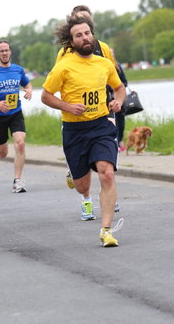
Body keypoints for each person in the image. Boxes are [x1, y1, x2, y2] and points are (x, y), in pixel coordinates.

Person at [41, 16, 125, 247]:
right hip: (74, 130)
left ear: (92, 34)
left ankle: (106, 230)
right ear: (71, 41)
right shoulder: (64, 67)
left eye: (87, 33)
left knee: (107, 173)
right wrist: (68, 106)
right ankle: (76, 173)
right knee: (82, 186)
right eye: (79, 35)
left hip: (101, 125)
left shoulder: (104, 63)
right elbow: (45, 96)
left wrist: (118, 101)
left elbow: (119, 88)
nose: (85, 37)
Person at [56, 5, 116, 191]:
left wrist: (118, 97)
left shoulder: (103, 48)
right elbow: (58, 82)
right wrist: (67, 105)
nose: (84, 35)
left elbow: (112, 75)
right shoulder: (65, 53)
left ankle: (107, 192)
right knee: (82, 171)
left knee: (106, 164)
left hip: (104, 108)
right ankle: (84, 192)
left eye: (87, 23)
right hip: (76, 116)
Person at [0, 40, 32, 193]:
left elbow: (27, 84)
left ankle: (17, 180)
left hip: (15, 113)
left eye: (6, 50)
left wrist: (29, 91)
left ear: (10, 52)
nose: (4, 53)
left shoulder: (18, 70)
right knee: (2, 153)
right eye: (1, 51)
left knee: (20, 143)